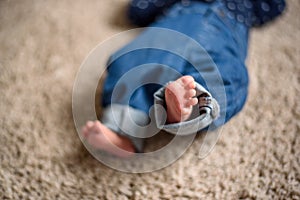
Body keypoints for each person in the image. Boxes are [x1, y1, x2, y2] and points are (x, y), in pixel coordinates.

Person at [81, 0, 286, 157]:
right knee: (131, 60)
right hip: (171, 29)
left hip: (222, 32)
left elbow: (275, 6)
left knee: (227, 75)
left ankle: (190, 108)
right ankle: (122, 133)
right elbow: (136, 11)